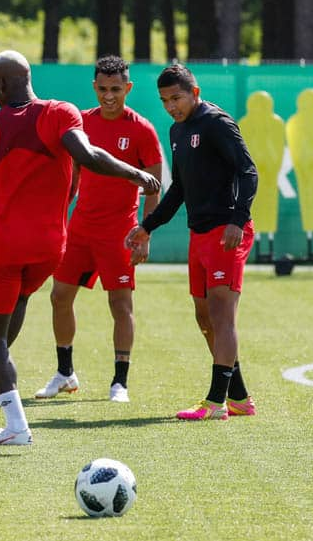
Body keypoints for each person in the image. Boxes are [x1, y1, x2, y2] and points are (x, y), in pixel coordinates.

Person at [0, 50, 160, 446]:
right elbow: (87, 156)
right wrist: (136, 173)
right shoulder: (61, 112)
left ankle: (15, 425)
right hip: (51, 247)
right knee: (21, 295)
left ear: (0, 86)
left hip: (6, 245)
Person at [126, 63, 257, 421]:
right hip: (199, 234)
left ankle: (216, 403)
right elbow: (180, 189)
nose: (171, 105)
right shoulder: (176, 131)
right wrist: (147, 226)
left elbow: (249, 171)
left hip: (227, 232)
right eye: (165, 100)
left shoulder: (216, 123)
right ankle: (240, 397)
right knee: (203, 316)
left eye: (177, 98)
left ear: (194, 93)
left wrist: (237, 219)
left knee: (220, 313)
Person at [37, 55, 163, 404]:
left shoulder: (143, 130)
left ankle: (119, 382)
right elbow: (73, 174)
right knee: (59, 296)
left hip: (120, 232)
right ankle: (65, 373)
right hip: (80, 229)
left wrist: (145, 232)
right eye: (103, 89)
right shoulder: (80, 122)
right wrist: (60, 214)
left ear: (128, 88)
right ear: (94, 86)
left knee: (120, 305)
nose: (109, 96)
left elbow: (154, 186)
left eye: (116, 89)